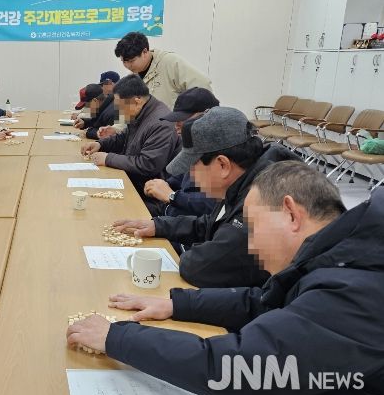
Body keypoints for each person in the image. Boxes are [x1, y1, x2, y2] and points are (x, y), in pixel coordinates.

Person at [66, 162, 384, 395]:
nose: (251, 245)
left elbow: (236, 369)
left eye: (254, 228)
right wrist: (177, 303)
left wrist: (117, 337)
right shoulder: (340, 255)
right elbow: (265, 301)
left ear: (291, 214)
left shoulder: (354, 288)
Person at [113, 107, 300, 288]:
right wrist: (160, 226)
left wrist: (188, 249)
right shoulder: (247, 178)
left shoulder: (261, 202)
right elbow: (211, 224)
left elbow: (198, 267)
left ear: (222, 165)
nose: (191, 177)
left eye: (192, 168)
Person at [80, 74, 180, 199]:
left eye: (121, 107)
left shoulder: (161, 123)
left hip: (147, 193)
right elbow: (125, 137)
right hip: (132, 181)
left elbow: (148, 164)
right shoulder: (141, 112)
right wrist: (100, 144)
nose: (119, 112)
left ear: (137, 101)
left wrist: (108, 158)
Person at [97, 32, 213, 138]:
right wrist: (116, 129)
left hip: (171, 133)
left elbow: (202, 87)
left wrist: (189, 122)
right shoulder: (133, 76)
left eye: (131, 61)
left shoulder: (170, 63)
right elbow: (128, 107)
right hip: (148, 134)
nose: (128, 66)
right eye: (124, 61)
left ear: (145, 52)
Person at [144, 87, 219, 218]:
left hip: (187, 223)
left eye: (182, 119)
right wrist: (158, 186)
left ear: (205, 116)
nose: (176, 125)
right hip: (170, 213)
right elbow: (177, 179)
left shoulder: (221, 153)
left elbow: (214, 205)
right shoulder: (192, 145)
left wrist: (172, 196)